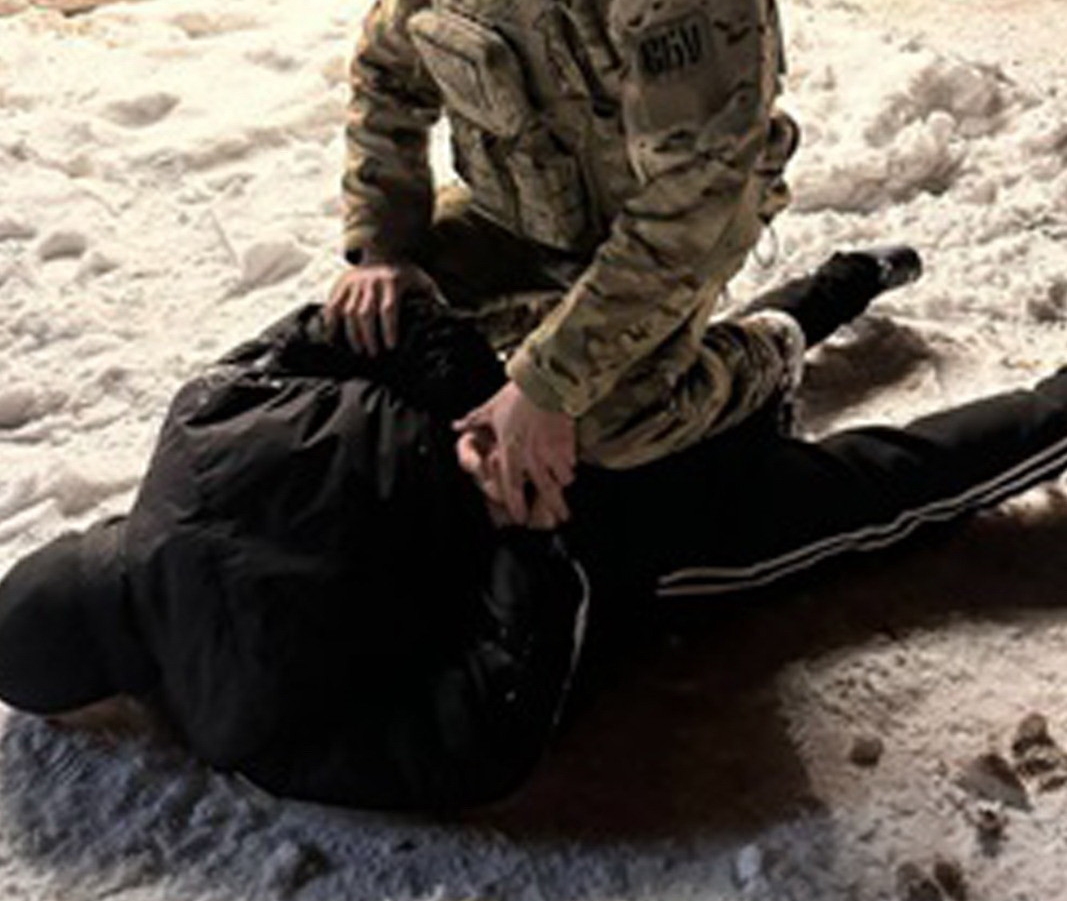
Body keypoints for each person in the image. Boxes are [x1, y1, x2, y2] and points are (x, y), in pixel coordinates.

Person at [4, 244, 1067, 816]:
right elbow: (372, 319)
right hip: (554, 409)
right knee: (715, 383)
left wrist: (528, 539)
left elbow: (475, 735)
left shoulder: (242, 724)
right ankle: (843, 281)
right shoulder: (197, 421)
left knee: (878, 491)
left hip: (606, 542)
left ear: (105, 685)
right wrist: (492, 414)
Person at [325, 0, 804, 531]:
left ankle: (762, 356)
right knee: (365, 333)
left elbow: (694, 199)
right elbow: (389, 72)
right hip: (515, 209)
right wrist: (384, 245)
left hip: (665, 228)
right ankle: (545, 324)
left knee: (602, 428)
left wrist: (547, 385)